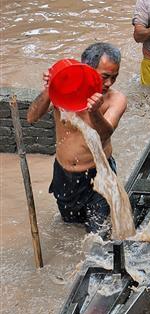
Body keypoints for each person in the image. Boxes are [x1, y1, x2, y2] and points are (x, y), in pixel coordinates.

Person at [27, 42, 127, 233]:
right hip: (64, 176)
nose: (109, 83)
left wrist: (95, 112)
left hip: (98, 176)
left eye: (114, 77)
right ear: (87, 69)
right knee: (70, 227)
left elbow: (105, 134)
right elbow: (31, 117)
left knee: (98, 235)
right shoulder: (64, 91)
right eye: (105, 76)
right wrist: (50, 89)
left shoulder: (116, 99)